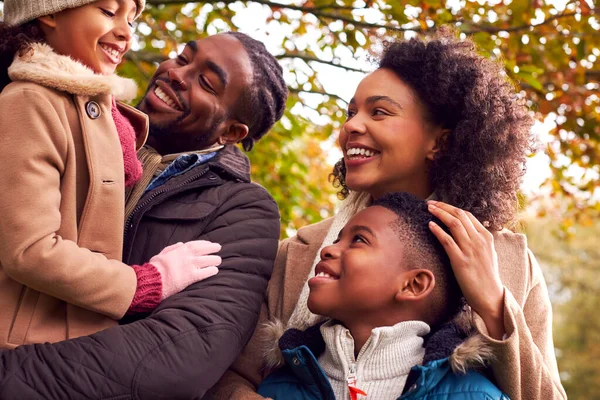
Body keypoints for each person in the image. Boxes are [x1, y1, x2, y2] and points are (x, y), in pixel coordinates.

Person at [210, 29, 566, 400]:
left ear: (440, 141)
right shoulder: (299, 254)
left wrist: (493, 304)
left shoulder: (510, 262)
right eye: (350, 113)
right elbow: (227, 377)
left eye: (379, 112)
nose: (350, 126)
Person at [0, 32, 287, 399]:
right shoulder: (66, 123)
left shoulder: (243, 211)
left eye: (206, 83)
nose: (176, 74)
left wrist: (9, 375)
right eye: (183, 58)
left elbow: (180, 354)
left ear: (231, 131)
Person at [0, 0, 222, 349]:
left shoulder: (92, 110)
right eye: (108, 11)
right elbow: (30, 249)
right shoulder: (29, 100)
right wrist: (145, 283)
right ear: (49, 12)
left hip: (70, 342)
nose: (125, 33)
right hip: (24, 346)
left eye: (132, 19)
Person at [257, 192, 509, 400]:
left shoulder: (476, 395)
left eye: (358, 240)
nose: (328, 249)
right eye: (336, 239)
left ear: (413, 285)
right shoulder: (275, 388)